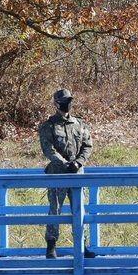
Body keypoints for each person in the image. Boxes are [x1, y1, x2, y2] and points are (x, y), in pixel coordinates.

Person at [38, 88, 93, 258]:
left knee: (80, 210)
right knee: (55, 209)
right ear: (56, 104)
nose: (67, 104)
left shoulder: (79, 124)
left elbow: (87, 145)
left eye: (69, 100)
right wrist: (64, 163)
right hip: (57, 175)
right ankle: (51, 246)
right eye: (64, 101)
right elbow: (48, 148)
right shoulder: (49, 126)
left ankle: (82, 246)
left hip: (77, 174)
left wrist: (78, 162)